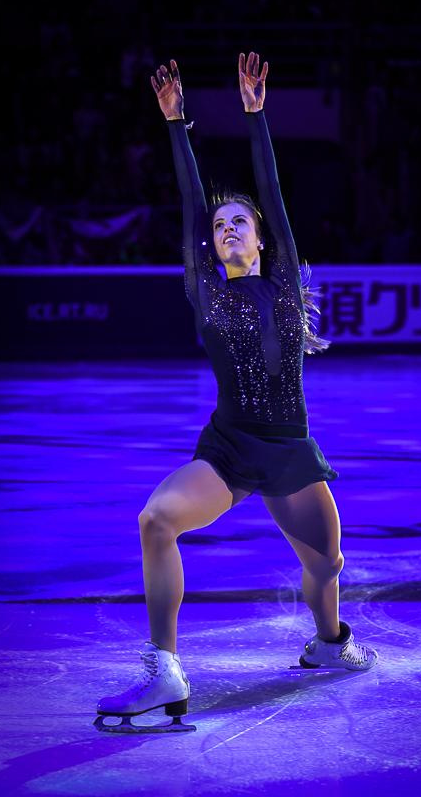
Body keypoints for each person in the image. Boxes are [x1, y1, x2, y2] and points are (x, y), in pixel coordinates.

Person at [95, 51, 378, 733]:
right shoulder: (206, 291)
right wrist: (177, 126)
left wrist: (255, 115)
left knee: (327, 567)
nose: (226, 229)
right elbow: (191, 201)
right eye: (220, 226)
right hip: (227, 449)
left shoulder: (281, 287)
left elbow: (273, 198)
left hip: (286, 451)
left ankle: (328, 643)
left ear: (260, 243)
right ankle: (164, 670)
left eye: (238, 224)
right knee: (155, 519)